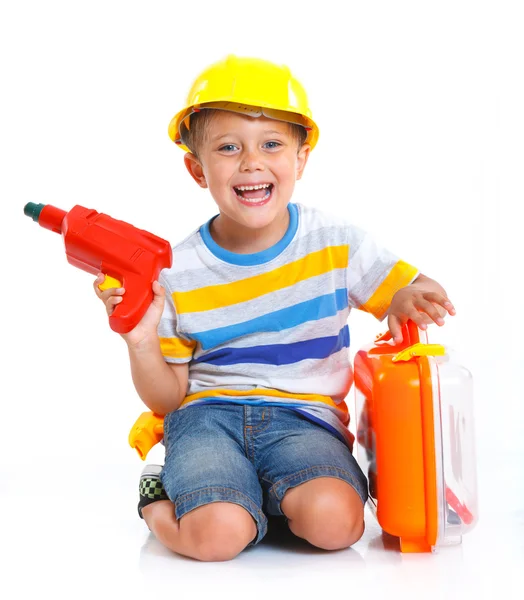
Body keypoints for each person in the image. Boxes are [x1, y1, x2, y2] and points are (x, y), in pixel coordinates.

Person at [94, 55, 456, 562]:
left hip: (306, 422)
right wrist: (139, 339)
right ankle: (160, 491)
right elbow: (167, 397)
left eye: (271, 145)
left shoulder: (335, 243)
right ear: (197, 169)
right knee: (217, 537)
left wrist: (407, 297)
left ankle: (260, 499)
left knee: (337, 525)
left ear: (301, 159)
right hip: (206, 419)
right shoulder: (175, 272)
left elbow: (413, 286)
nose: (251, 162)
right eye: (227, 148)